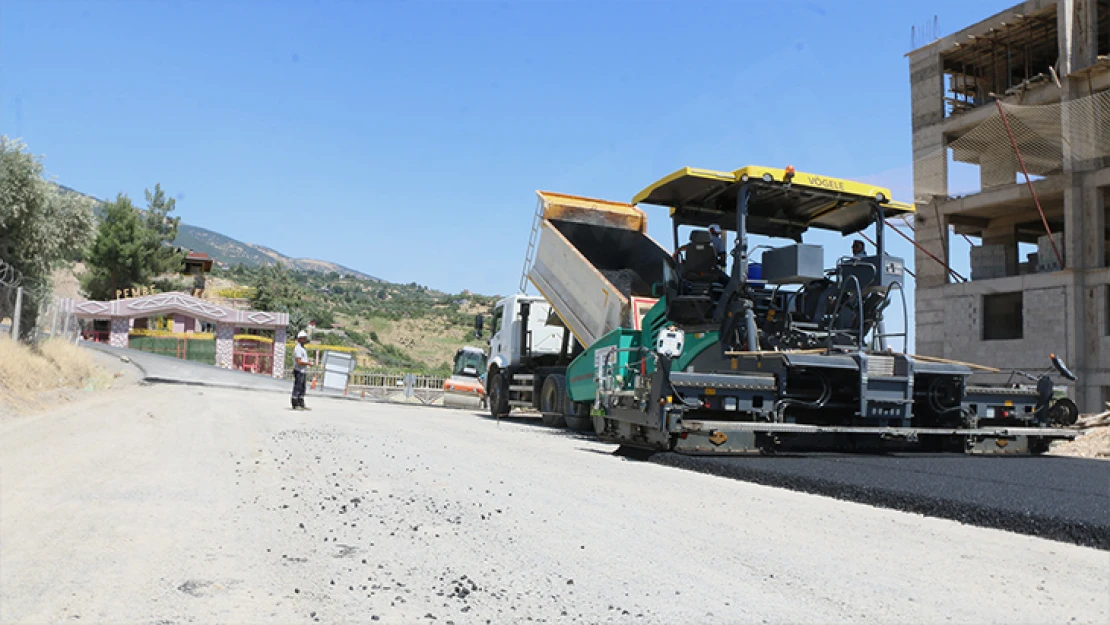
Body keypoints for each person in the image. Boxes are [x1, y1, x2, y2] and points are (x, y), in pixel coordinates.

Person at [291, 330, 311, 410]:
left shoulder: (303, 348)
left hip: (303, 371)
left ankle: (301, 402)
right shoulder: (298, 349)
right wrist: (308, 363)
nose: (305, 340)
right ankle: (295, 403)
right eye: (303, 338)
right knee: (298, 387)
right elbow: (299, 361)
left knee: (302, 388)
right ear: (299, 339)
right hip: (299, 370)